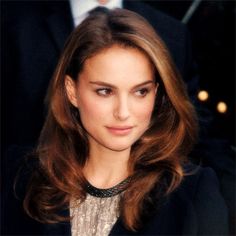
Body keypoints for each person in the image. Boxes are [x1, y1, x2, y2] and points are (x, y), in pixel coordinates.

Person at [4, 8, 228, 236]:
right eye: (104, 91)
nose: (123, 112)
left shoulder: (192, 195)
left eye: (140, 91)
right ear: (72, 91)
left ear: (156, 93)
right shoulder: (17, 178)